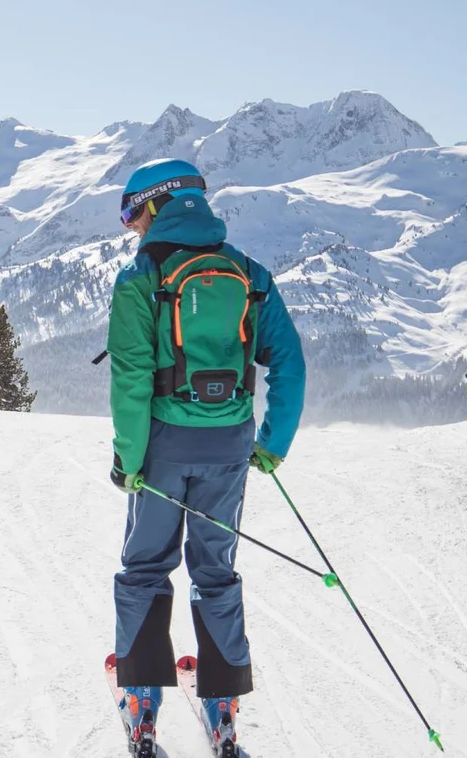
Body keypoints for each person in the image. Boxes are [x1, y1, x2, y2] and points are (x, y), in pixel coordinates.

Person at [105, 159, 305, 756]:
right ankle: (222, 712)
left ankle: (141, 708)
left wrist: (129, 460)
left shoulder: (140, 279)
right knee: (215, 572)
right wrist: (271, 444)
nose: (131, 227)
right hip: (230, 446)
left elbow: (132, 381)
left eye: (132, 213)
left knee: (144, 568)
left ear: (158, 204)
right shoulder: (249, 273)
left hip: (162, 449)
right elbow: (289, 364)